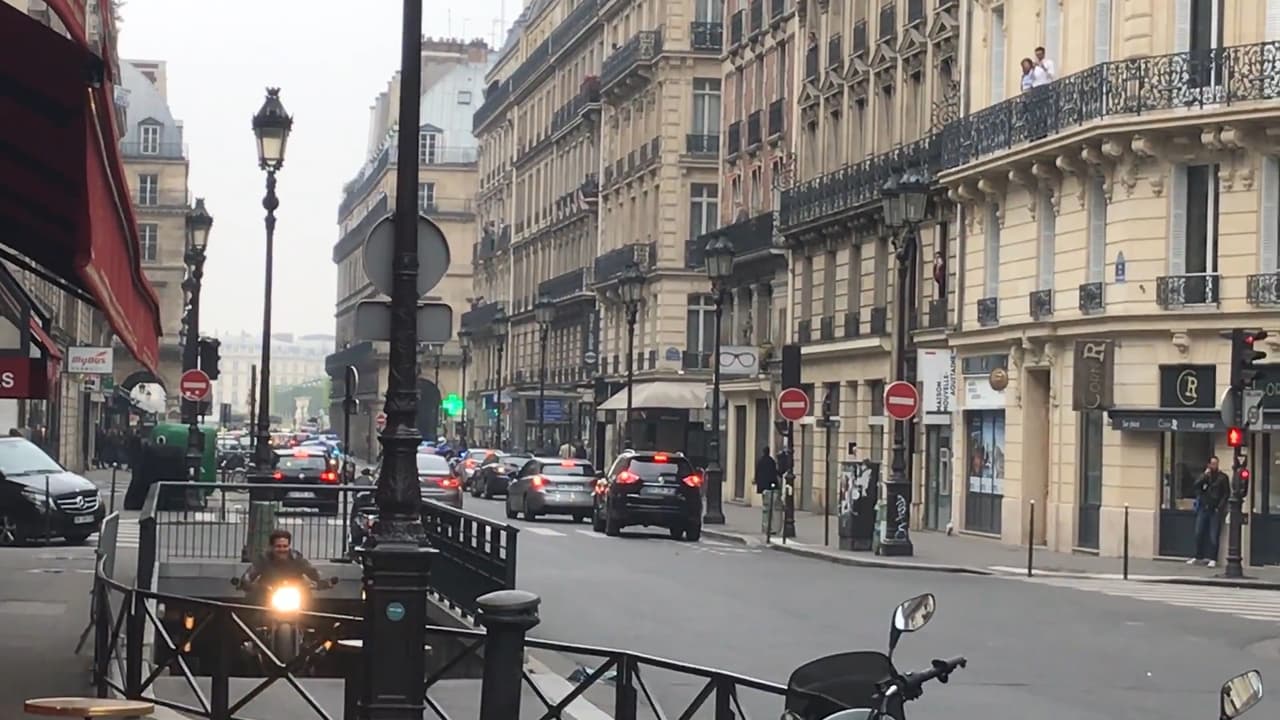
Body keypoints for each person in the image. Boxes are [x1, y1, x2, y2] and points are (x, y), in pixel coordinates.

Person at [241, 529, 323, 591]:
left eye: (285, 546)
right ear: (272, 547)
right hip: (268, 595)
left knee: (309, 601)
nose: (282, 549)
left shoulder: (297, 559)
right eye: (278, 546)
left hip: (294, 596)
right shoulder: (263, 559)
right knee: (253, 600)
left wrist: (322, 582)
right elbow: (250, 574)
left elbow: (311, 571)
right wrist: (246, 582)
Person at [1188, 456, 1230, 567]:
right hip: (1203, 508)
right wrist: (1204, 475)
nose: (1214, 466)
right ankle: (1198, 556)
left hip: (1214, 509)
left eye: (1216, 464)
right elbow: (1196, 485)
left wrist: (1219, 507)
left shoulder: (1222, 477)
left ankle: (1213, 558)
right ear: (1209, 465)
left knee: (1213, 535)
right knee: (1199, 532)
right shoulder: (1206, 477)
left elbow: (1226, 494)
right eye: (1212, 464)